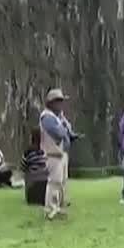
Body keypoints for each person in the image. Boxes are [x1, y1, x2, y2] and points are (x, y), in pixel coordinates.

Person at [40, 88, 79, 220]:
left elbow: (66, 131)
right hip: (52, 154)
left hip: (61, 154)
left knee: (62, 182)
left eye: (61, 101)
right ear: (51, 103)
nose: (61, 104)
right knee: (54, 182)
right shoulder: (47, 117)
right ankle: (50, 209)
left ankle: (58, 207)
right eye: (58, 101)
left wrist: (70, 133)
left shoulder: (57, 117)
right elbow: (58, 133)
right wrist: (64, 127)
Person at [20, 127, 48, 206]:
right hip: (45, 180)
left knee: (27, 172)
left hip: (32, 181)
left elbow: (23, 167)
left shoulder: (28, 152)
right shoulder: (46, 151)